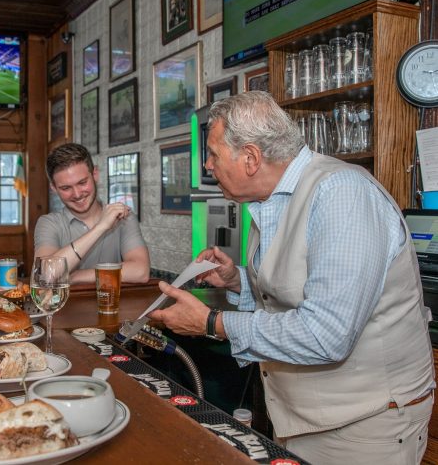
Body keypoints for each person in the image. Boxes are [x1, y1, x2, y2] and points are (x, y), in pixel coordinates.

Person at [149, 91, 435, 464]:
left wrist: (211, 323)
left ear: (250, 157)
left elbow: (326, 333)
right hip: (301, 417)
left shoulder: (342, 193)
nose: (207, 164)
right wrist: (236, 280)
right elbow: (292, 291)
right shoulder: (269, 200)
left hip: (365, 423)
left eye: (214, 154)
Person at [34, 143, 150, 284]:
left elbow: (141, 272)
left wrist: (75, 277)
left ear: (95, 174)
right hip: (66, 306)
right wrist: (101, 227)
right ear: (53, 187)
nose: (77, 194)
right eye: (66, 188)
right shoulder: (49, 223)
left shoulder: (122, 216)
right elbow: (43, 276)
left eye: (82, 182)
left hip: (112, 305)